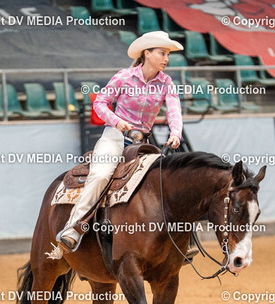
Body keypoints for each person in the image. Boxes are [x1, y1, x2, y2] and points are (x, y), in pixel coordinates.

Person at [57, 31, 199, 261]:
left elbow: (174, 110)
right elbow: (100, 103)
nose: (166, 59)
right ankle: (74, 228)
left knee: (167, 180)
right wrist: (116, 121)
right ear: (147, 54)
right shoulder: (124, 77)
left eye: (168, 54)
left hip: (142, 143)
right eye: (162, 53)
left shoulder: (166, 83)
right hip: (115, 137)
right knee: (100, 175)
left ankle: (181, 241)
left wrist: (175, 133)